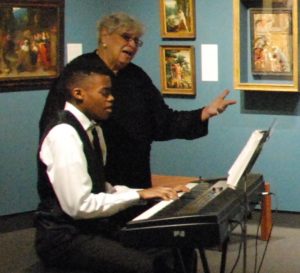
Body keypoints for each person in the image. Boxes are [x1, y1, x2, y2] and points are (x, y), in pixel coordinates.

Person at [39, 12, 236, 190]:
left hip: (134, 177)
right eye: (126, 37)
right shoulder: (80, 73)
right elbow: (57, 125)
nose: (132, 45)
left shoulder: (136, 76)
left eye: (137, 40)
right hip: (94, 178)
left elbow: (162, 120)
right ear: (105, 36)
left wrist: (204, 113)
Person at [35, 58, 193, 273]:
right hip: (64, 237)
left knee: (179, 244)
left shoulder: (94, 130)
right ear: (78, 93)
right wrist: (139, 196)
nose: (111, 99)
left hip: (90, 226)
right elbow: (79, 206)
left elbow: (101, 187)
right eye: (104, 93)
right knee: (148, 266)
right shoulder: (64, 134)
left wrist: (150, 192)